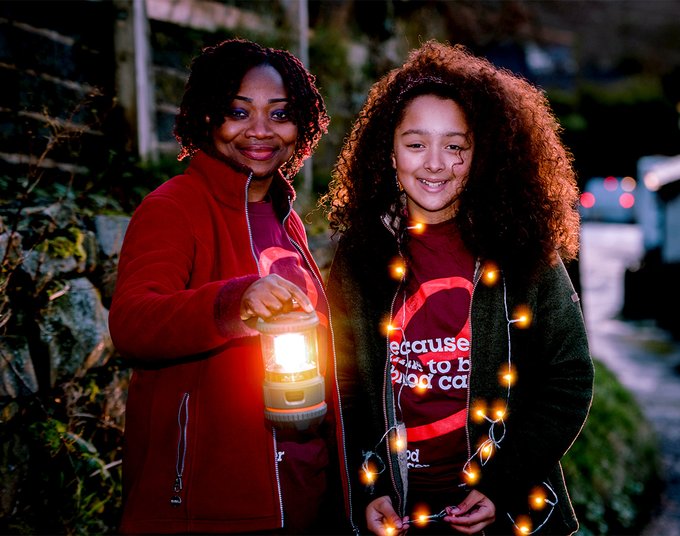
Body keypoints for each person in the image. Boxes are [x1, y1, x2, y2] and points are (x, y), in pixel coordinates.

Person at [321, 40, 594, 536]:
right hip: (398, 515)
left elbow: (569, 377)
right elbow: (343, 385)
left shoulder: (522, 247)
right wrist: (371, 487)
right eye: (416, 143)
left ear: (480, 154)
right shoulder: (361, 253)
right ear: (389, 150)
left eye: (455, 146)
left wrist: (502, 484)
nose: (434, 164)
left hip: (508, 514)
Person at [109, 38, 351, 534]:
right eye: (238, 112)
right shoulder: (174, 208)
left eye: (279, 114)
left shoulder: (286, 219)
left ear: (301, 126)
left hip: (305, 496)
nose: (260, 131)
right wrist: (232, 302)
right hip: (211, 508)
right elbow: (133, 322)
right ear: (206, 118)